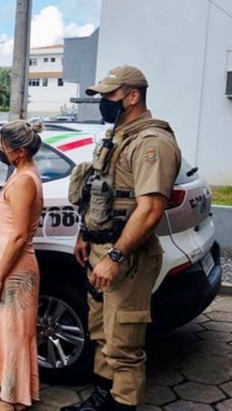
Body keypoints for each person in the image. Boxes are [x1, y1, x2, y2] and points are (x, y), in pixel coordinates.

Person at [63, 65, 181, 411]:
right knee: (101, 332)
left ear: (132, 96)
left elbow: (150, 209)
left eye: (109, 96)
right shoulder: (117, 138)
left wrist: (115, 257)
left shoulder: (152, 142)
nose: (103, 102)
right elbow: (102, 194)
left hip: (126, 257)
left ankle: (122, 403)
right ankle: (102, 398)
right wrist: (85, 235)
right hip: (101, 248)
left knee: (124, 342)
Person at [0, 120, 44, 411]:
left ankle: (10, 401)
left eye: (3, 146)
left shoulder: (25, 180)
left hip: (14, 269)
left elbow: (18, 236)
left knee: (15, 334)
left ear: (18, 151)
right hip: (6, 263)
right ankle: (11, 391)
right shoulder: (20, 174)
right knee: (8, 331)